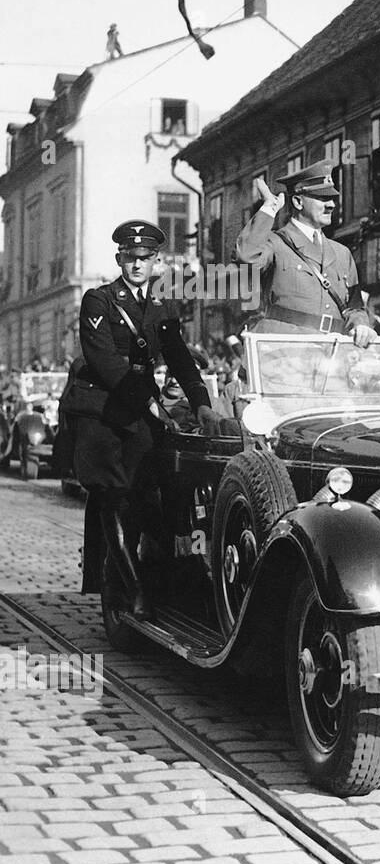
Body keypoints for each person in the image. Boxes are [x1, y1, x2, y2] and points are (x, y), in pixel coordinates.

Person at [66, 220, 219, 618]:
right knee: (114, 495)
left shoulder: (160, 306)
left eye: (145, 258)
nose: (137, 265)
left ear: (156, 262)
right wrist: (152, 406)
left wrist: (201, 402)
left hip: (137, 410)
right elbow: (105, 362)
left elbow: (180, 357)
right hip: (102, 412)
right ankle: (132, 591)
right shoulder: (98, 301)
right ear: (119, 259)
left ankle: (165, 578)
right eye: (130, 258)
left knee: (152, 491)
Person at [236, 161, 376, 346]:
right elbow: (246, 257)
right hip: (285, 355)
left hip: (330, 356)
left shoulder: (342, 253)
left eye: (332, 199)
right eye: (322, 198)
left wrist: (360, 325)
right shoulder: (275, 243)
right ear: (298, 201)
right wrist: (269, 209)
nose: (331, 205)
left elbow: (354, 307)